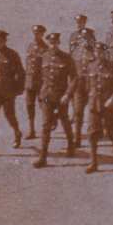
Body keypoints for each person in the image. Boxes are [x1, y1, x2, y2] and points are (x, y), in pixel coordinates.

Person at [34, 32, 78, 166]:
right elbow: (38, 77)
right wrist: (40, 95)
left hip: (61, 97)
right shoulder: (43, 57)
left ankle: (71, 143)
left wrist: (68, 95)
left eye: (55, 43)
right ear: (48, 43)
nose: (53, 45)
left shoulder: (66, 58)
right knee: (46, 125)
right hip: (47, 96)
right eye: (51, 43)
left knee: (65, 120)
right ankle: (43, 157)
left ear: (59, 43)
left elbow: (75, 78)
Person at [84, 42, 113, 173]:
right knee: (92, 133)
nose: (98, 54)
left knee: (111, 132)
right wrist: (89, 99)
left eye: (101, 52)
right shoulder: (90, 66)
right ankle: (93, 162)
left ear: (105, 53)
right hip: (94, 104)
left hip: (108, 105)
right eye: (96, 51)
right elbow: (88, 86)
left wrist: (112, 99)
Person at [0, 29, 26, 156]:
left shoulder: (12, 54)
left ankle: (17, 132)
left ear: (5, 41)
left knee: (10, 116)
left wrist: (19, 89)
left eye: (1, 41)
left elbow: (21, 73)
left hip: (8, 91)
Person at [24, 25, 50, 137]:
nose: (36, 35)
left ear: (42, 34)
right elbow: (28, 63)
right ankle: (31, 130)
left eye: (38, 33)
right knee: (29, 106)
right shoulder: (30, 46)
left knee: (44, 106)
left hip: (40, 82)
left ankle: (47, 126)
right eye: (34, 33)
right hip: (30, 81)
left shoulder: (45, 48)